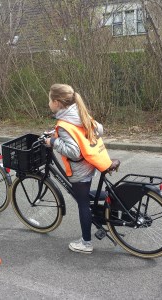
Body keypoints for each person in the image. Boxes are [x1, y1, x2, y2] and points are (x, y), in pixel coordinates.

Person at [45, 83, 116, 254]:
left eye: (49, 100)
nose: (48, 104)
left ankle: (85, 243)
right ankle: (113, 197)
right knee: (83, 194)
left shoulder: (64, 124)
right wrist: (58, 135)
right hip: (93, 161)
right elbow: (98, 129)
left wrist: (53, 141)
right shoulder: (78, 112)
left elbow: (74, 152)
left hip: (80, 169)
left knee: (82, 203)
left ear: (57, 102)